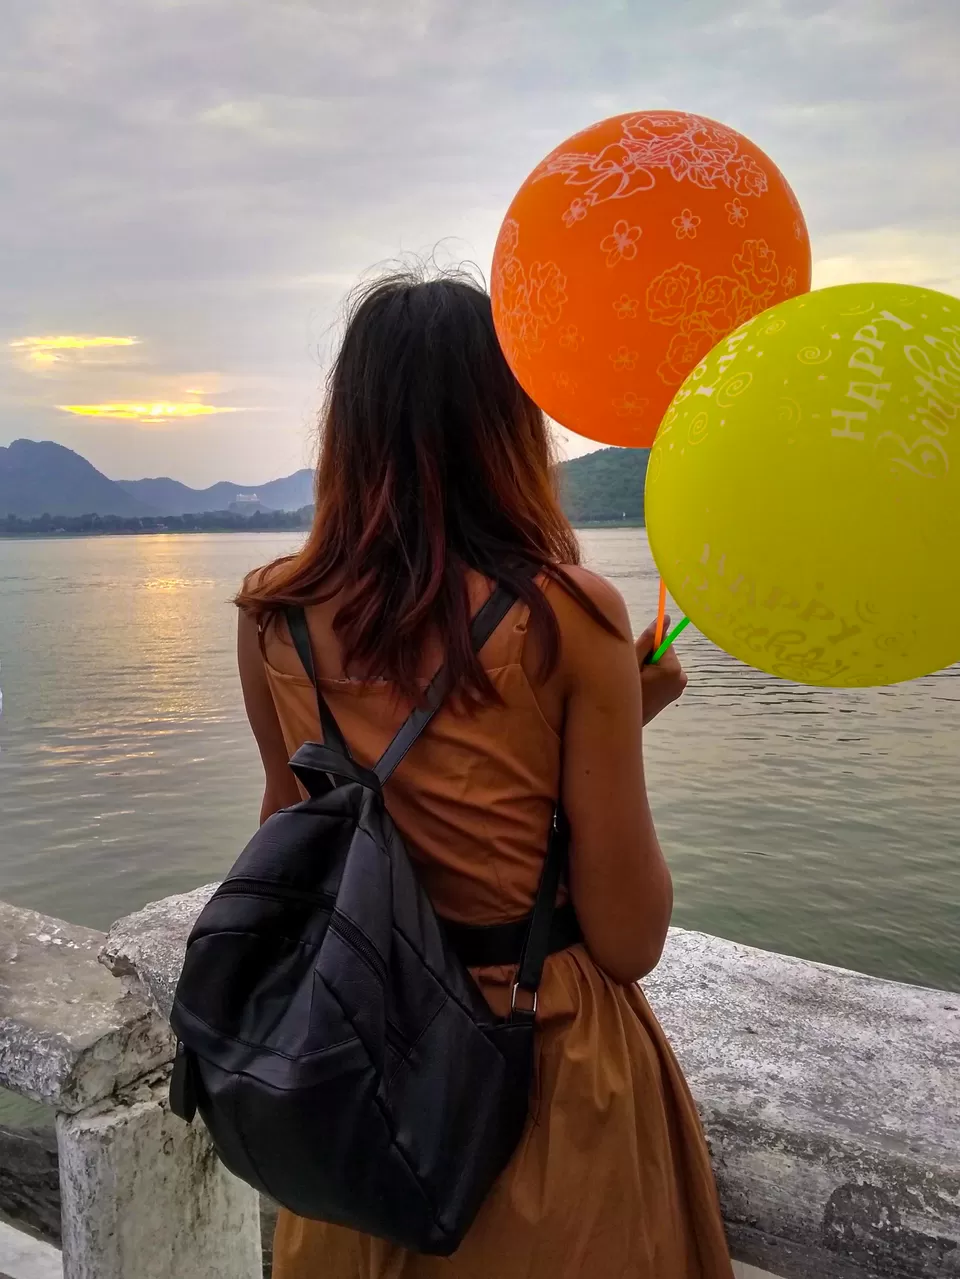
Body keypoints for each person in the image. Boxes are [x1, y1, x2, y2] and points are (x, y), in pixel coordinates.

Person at [235, 269, 734, 1279]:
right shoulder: (570, 617)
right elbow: (630, 936)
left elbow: (299, 851)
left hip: (352, 1091)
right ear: (508, 426)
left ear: (352, 426)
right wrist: (623, 723)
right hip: (533, 1083)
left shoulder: (273, 618)